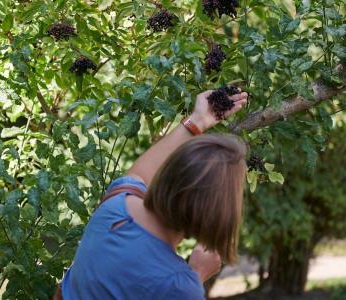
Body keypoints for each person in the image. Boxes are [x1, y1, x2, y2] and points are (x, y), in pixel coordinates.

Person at [58, 90, 249, 299]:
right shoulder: (179, 286)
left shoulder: (117, 203)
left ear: (170, 169)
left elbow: (140, 173)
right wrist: (196, 274)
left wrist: (198, 120)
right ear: (218, 213)